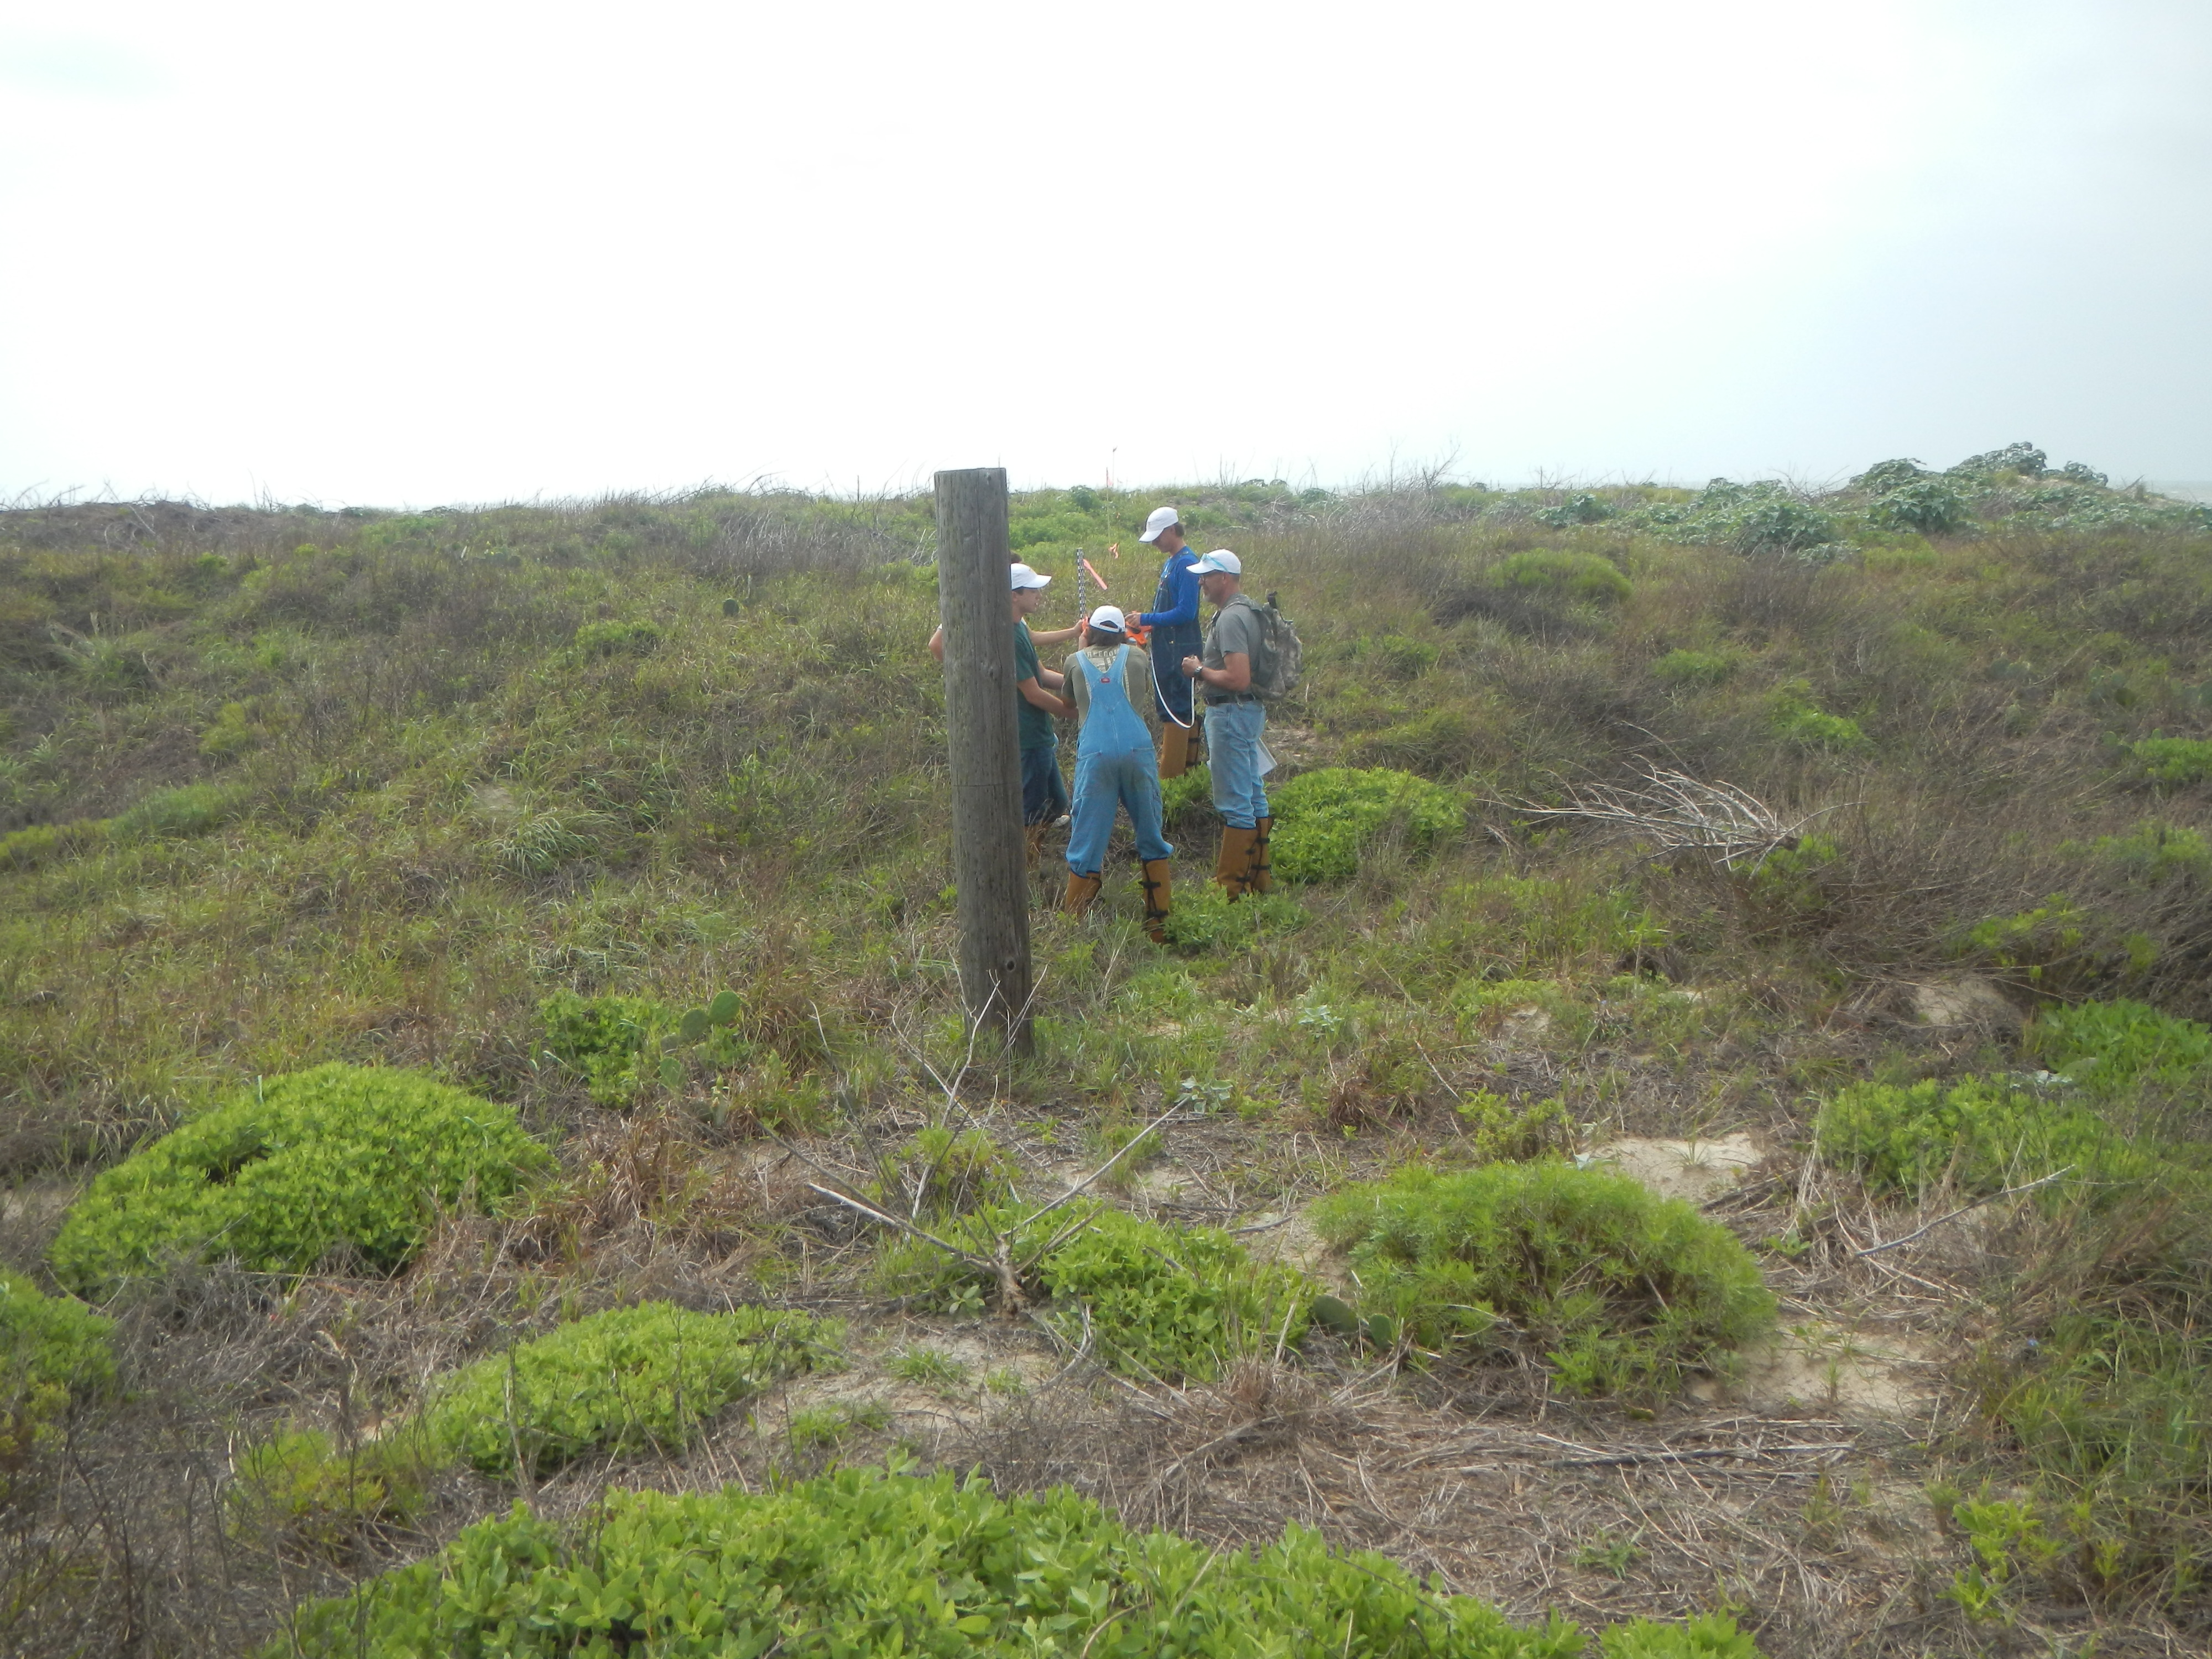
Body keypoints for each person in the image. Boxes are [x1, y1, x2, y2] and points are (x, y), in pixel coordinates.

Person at [929, 562, 1081, 859]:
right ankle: (1027, 865)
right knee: (1033, 809)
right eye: (1033, 589)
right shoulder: (1007, 636)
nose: (1039, 595)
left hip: (1038, 732)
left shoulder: (1019, 628)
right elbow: (1034, 694)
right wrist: (1077, 712)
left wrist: (1083, 686)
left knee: (1055, 803)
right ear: (1014, 595)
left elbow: (1042, 675)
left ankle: (1030, 854)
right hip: (1027, 734)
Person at [1061, 605, 1173, 943]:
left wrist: (1082, 647)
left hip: (1095, 753)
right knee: (1150, 831)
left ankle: (1075, 924)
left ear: (1090, 630)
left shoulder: (1073, 661)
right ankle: (1159, 924)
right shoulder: (1137, 656)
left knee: (1087, 836)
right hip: (1137, 750)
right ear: (1121, 630)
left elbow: (1069, 703)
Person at [1178, 550, 1272, 896]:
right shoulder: (1250, 611)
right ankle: (1259, 879)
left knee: (1235, 800)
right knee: (1253, 794)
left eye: (1206, 575)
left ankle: (1230, 887)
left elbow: (1238, 679)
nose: (1200, 581)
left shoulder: (1231, 618)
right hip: (1246, 712)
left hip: (1231, 712)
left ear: (1225, 578)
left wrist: (1198, 671)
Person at [1133, 506, 1204, 781]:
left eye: (1158, 536)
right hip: (1166, 646)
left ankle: (1172, 778)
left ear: (1173, 530)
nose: (1154, 543)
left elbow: (1188, 612)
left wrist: (1147, 618)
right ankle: (1183, 771)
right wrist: (1146, 624)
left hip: (1179, 648)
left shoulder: (1187, 564)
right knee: (1171, 707)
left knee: (1176, 708)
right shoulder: (1172, 561)